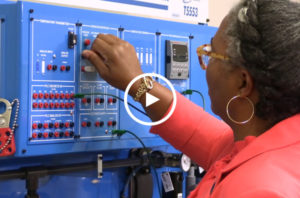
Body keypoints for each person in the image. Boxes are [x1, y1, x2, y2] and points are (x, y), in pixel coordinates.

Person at [82, 0, 300, 197]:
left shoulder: (258, 189)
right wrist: (137, 84)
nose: (204, 63)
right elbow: (187, 124)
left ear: (243, 83)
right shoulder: (269, 144)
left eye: (211, 53)